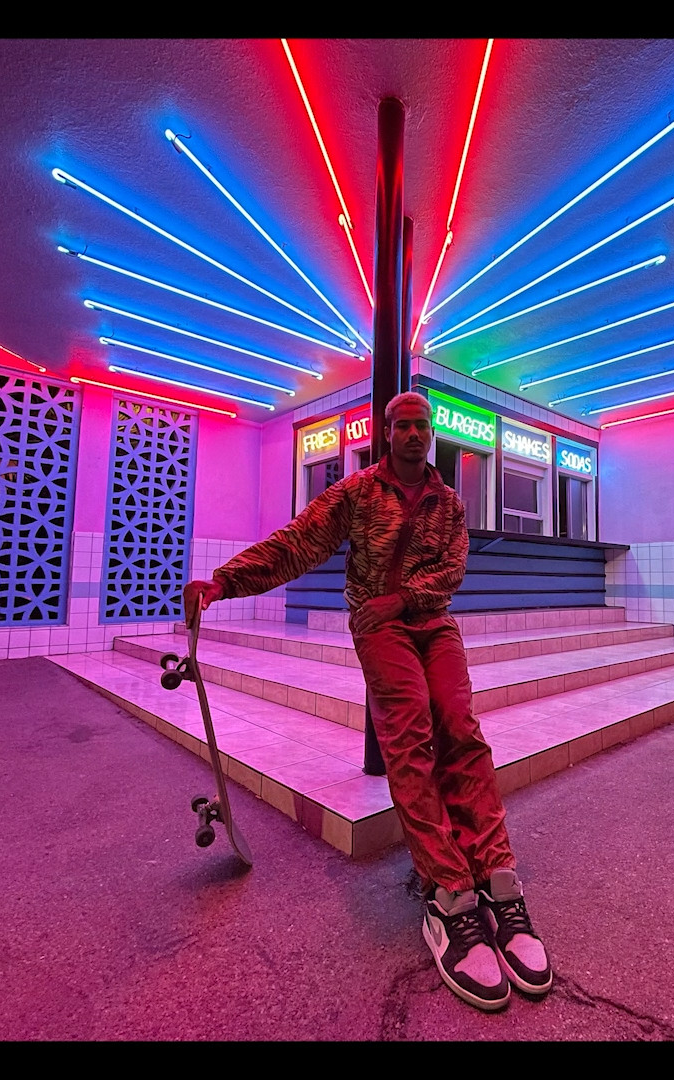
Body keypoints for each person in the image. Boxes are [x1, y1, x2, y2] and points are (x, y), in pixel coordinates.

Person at [182, 391, 551, 1012]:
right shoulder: (356, 496)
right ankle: (448, 892)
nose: (412, 433)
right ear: (385, 434)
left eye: (421, 425)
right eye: (401, 425)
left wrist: (404, 599)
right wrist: (223, 581)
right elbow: (297, 542)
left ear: (432, 434)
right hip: (378, 630)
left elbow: (452, 572)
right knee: (409, 738)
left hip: (431, 624)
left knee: (462, 729)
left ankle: (498, 882)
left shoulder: (449, 503)